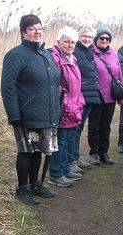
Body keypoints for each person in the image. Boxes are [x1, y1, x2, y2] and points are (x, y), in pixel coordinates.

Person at [1, 14, 60, 204]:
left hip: (46, 113)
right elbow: (8, 87)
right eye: (32, 29)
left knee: (38, 151)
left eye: (40, 28)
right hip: (26, 115)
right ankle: (22, 188)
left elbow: (52, 84)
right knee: (26, 151)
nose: (37, 32)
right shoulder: (15, 55)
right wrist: (14, 114)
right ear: (23, 32)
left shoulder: (46, 54)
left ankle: (35, 184)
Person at [48, 26, 85, 187]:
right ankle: (56, 173)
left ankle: (64, 169)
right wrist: (67, 105)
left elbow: (76, 85)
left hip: (74, 107)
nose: (70, 45)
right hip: (62, 109)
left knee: (67, 139)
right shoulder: (54, 59)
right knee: (60, 141)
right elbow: (56, 87)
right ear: (58, 42)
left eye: (73, 43)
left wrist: (79, 102)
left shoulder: (72, 58)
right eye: (66, 42)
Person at [88, 25, 123, 165]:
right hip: (96, 95)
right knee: (94, 125)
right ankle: (94, 153)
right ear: (96, 39)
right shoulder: (90, 53)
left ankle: (104, 152)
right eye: (102, 38)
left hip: (110, 95)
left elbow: (119, 73)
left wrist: (121, 96)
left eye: (107, 38)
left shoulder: (113, 53)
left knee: (106, 126)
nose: (104, 40)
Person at [69, 25, 101, 171]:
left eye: (89, 37)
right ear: (78, 36)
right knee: (74, 129)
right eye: (84, 36)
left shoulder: (88, 52)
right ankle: (71, 161)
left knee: (79, 128)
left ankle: (75, 157)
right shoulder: (75, 52)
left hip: (88, 97)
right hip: (78, 97)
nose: (87, 39)